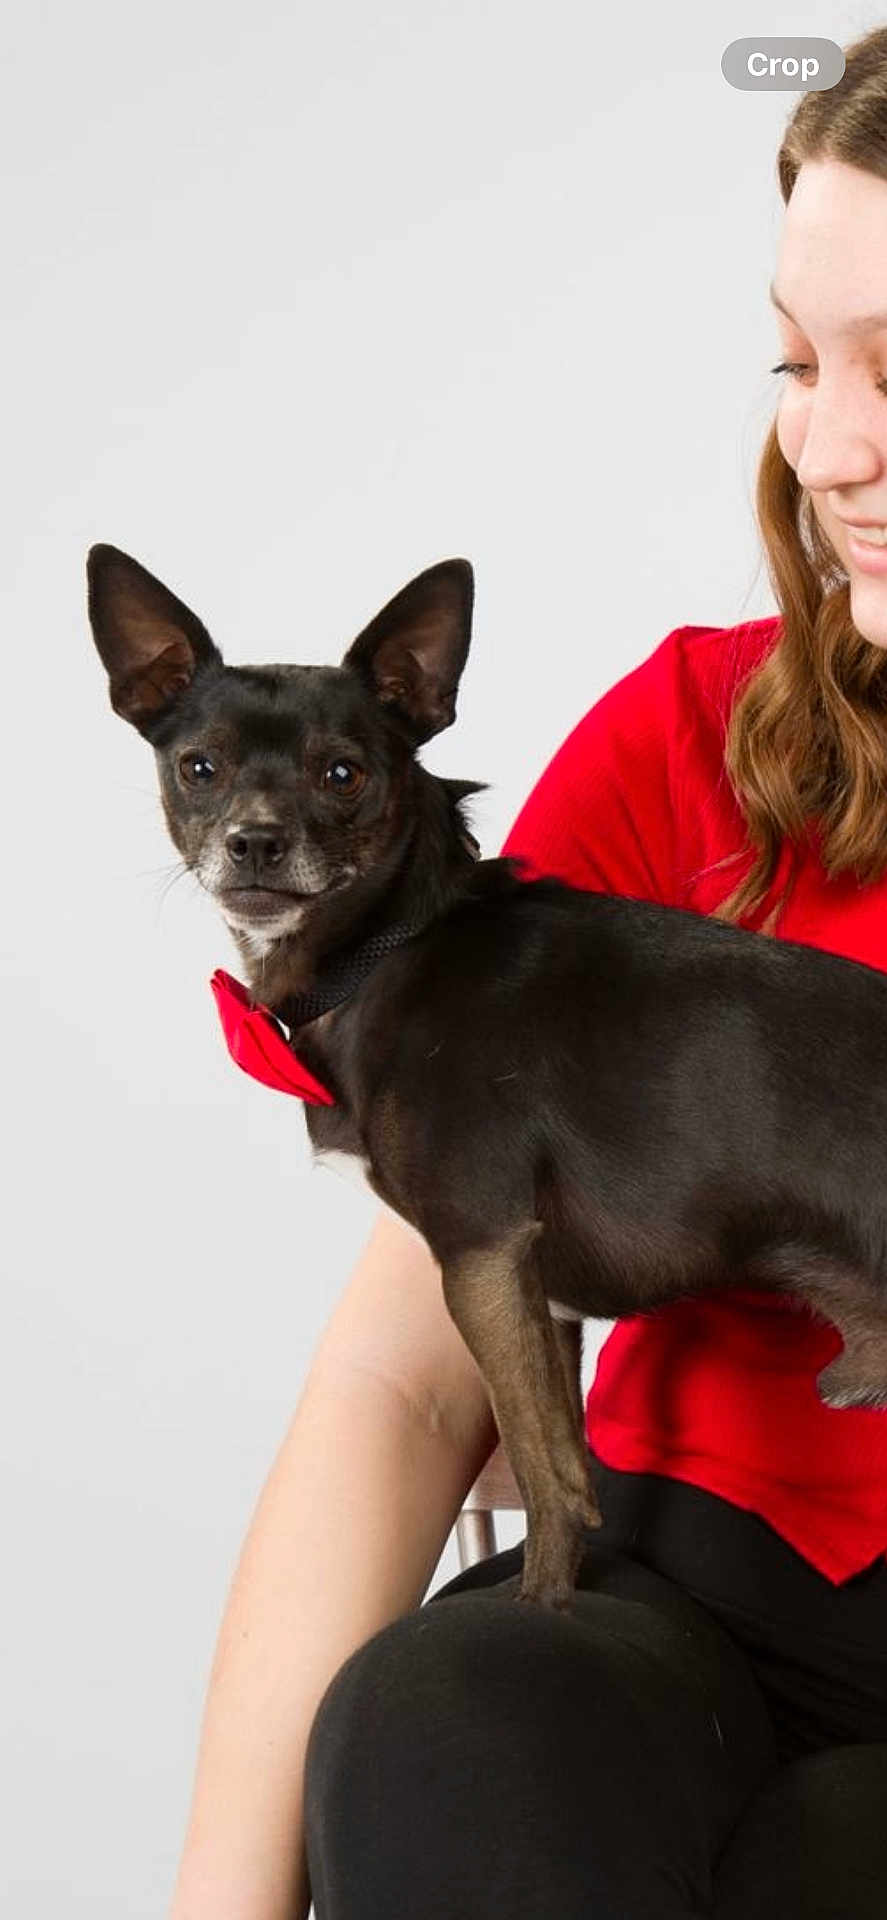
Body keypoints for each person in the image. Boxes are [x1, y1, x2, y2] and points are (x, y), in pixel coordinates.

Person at [168, 27, 887, 1920]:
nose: (832, 448)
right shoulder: (696, 738)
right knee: (452, 1731)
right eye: (800, 364)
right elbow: (406, 1382)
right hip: (682, 1588)